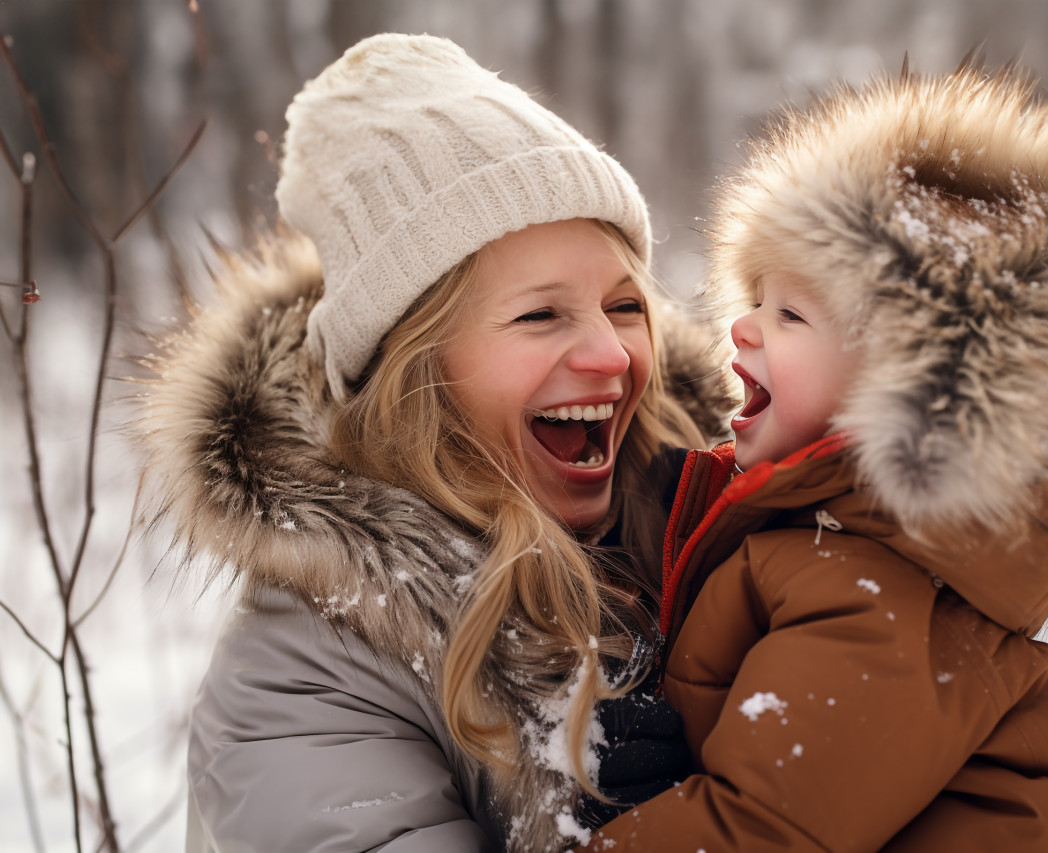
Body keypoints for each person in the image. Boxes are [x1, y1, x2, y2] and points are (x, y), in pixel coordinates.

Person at [580, 63, 1048, 851]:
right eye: (752, 300)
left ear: (907, 381)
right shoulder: (831, 548)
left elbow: (757, 830)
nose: (743, 328)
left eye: (788, 313)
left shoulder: (876, 592)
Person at [132, 33, 727, 853]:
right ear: (418, 375)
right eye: (540, 314)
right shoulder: (303, 679)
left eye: (625, 307)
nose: (612, 354)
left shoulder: (729, 521)